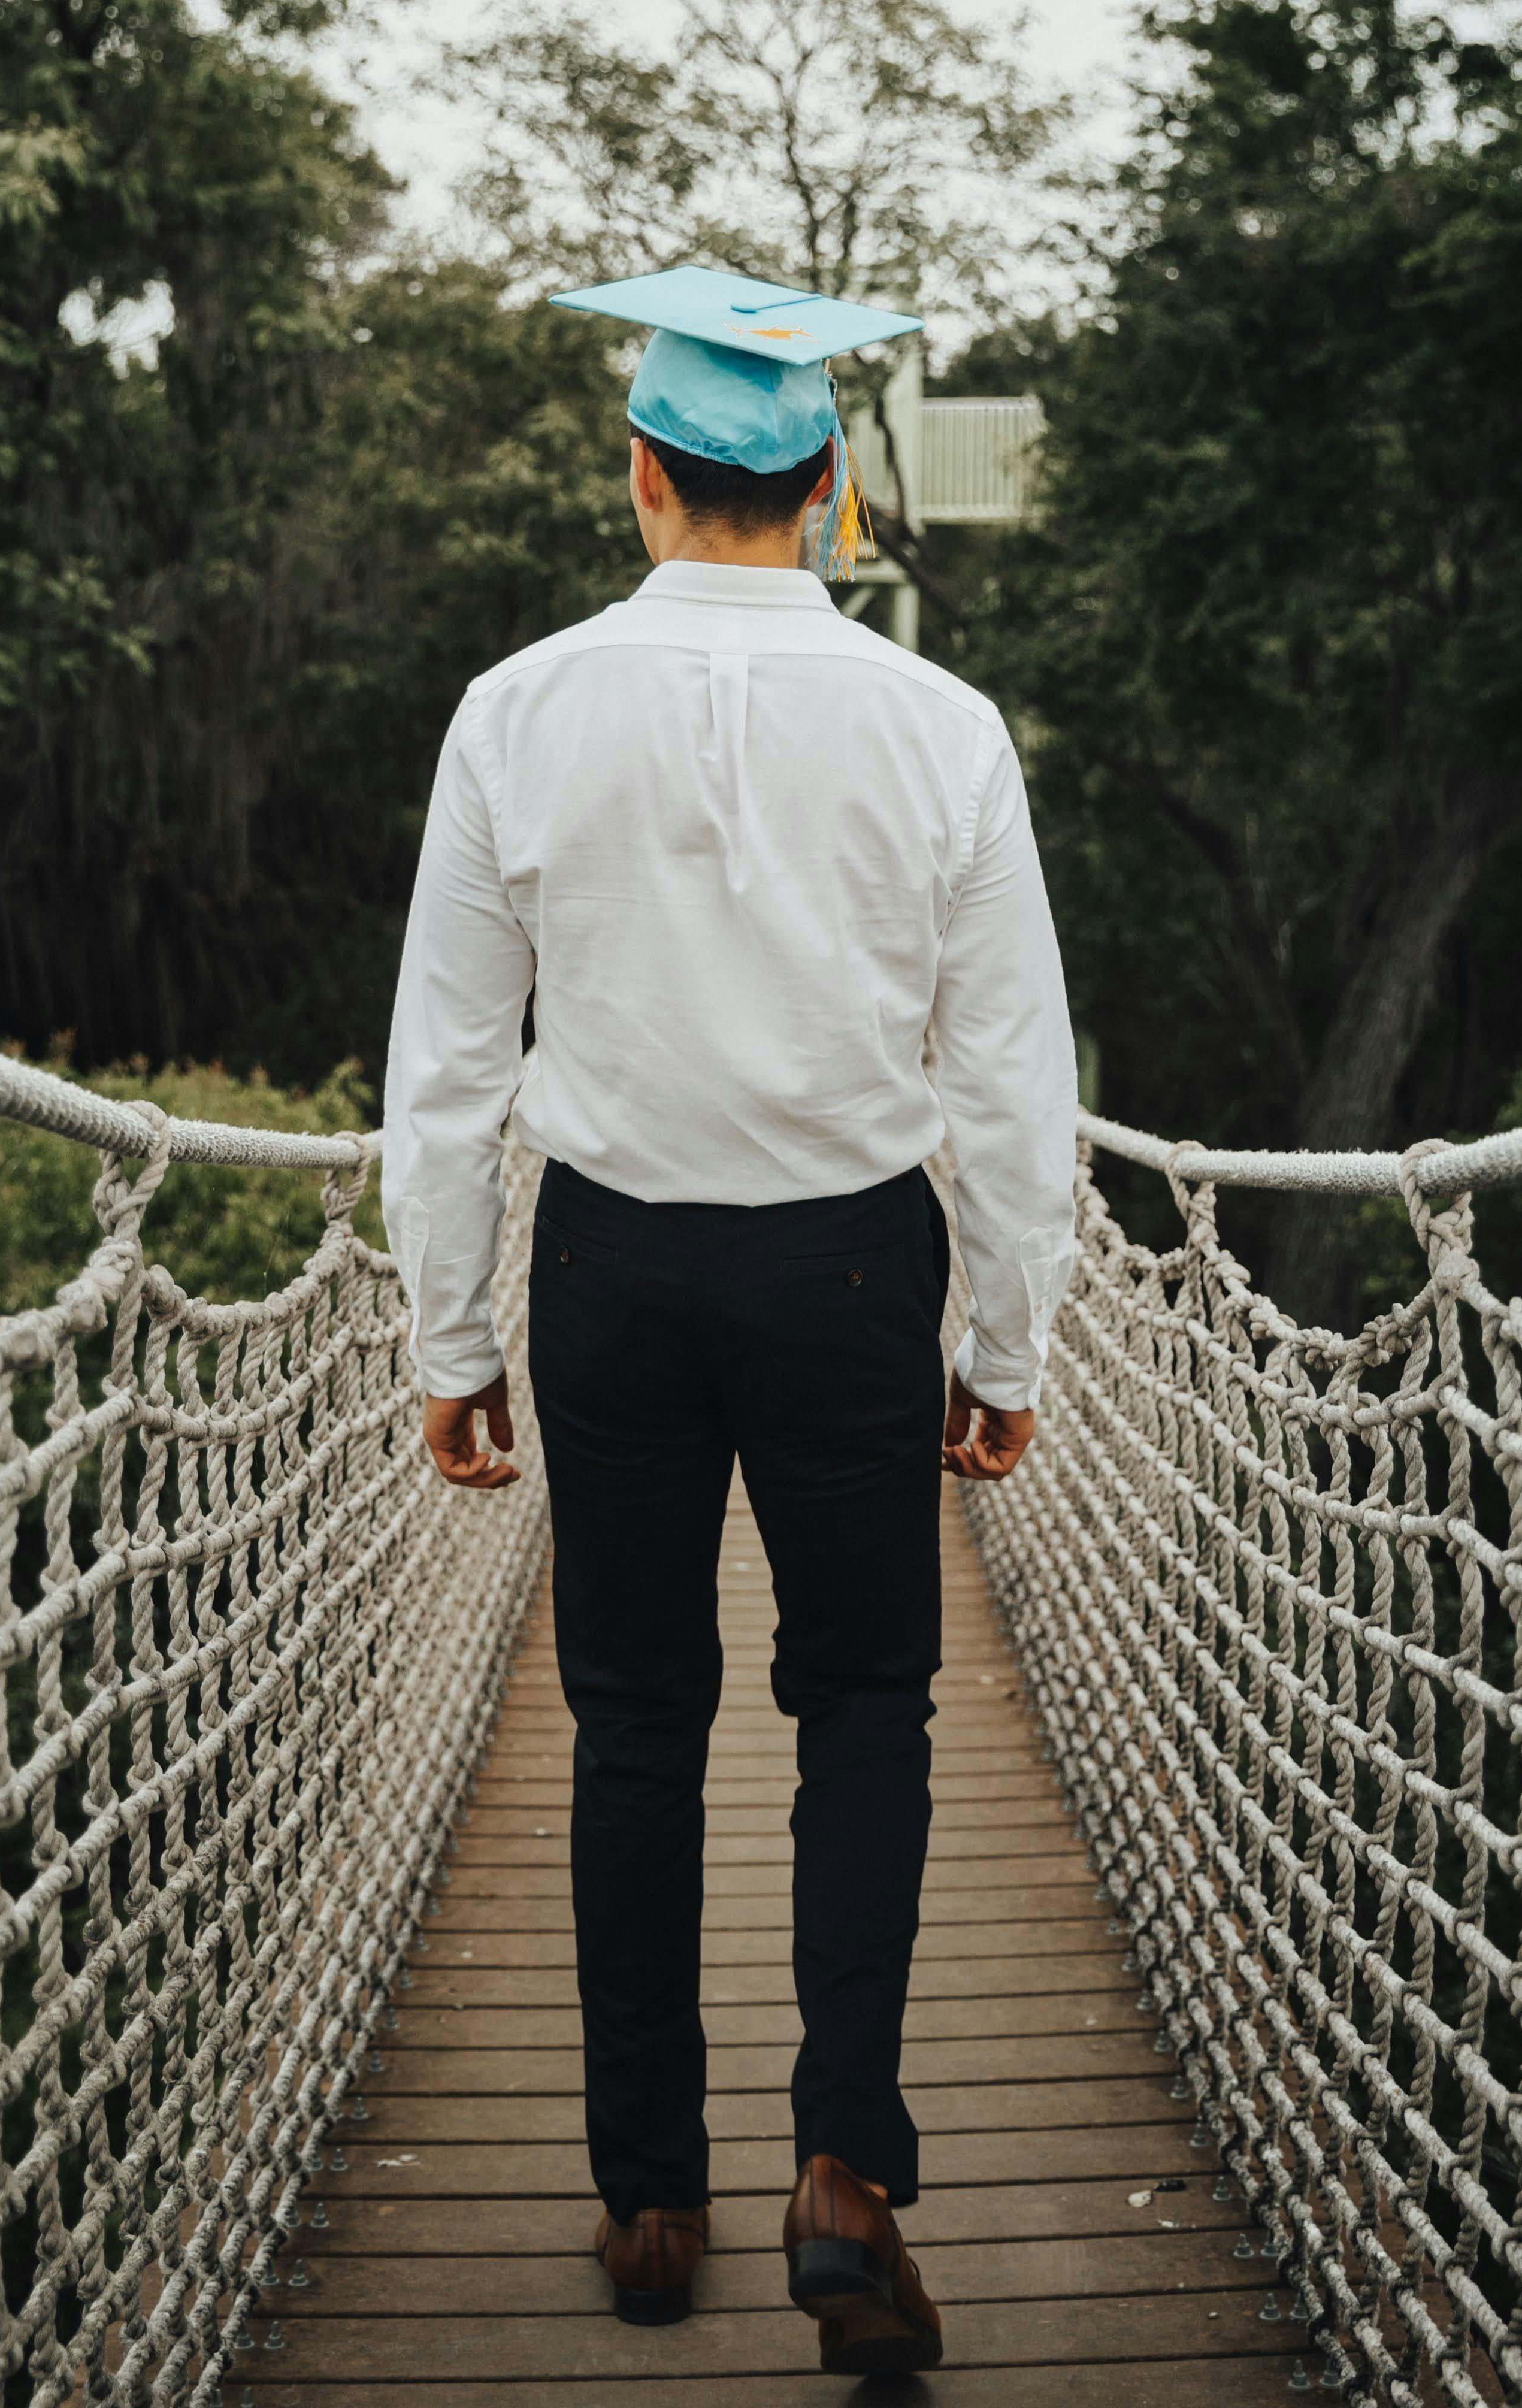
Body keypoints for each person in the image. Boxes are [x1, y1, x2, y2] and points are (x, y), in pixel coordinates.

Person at [382, 262, 1078, 2379]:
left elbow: (442, 1067)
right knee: (865, 1704)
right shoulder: (940, 724)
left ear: (642, 475)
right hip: (855, 1266)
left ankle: (645, 2188)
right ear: (833, 494)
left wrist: (448, 1341)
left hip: (607, 1268)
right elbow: (1014, 1078)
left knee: (631, 1715)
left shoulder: (513, 706)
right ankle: (846, 2172)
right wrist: (1007, 1352)